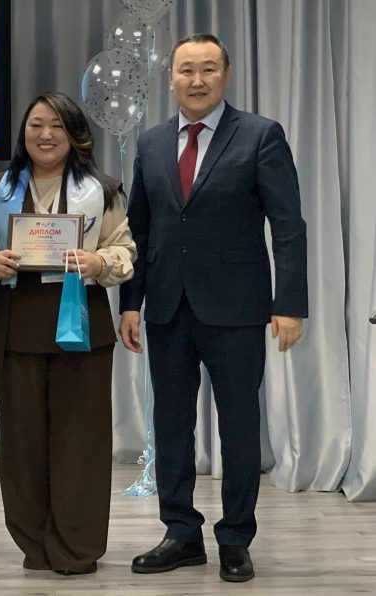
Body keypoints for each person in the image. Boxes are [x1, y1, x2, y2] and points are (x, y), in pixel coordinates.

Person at [119, 33, 308, 583]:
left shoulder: (260, 135)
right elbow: (139, 228)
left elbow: (288, 227)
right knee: (171, 424)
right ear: (170, 79)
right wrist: (130, 303)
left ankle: (235, 538)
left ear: (226, 75)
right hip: (167, 307)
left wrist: (289, 304)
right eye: (186, 70)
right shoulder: (151, 142)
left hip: (238, 308)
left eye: (207, 69)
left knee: (239, 427)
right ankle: (181, 533)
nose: (196, 80)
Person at [0, 91, 136, 575]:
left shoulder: (102, 190)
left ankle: (76, 546)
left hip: (81, 327)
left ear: (76, 135)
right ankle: (34, 543)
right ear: (23, 132)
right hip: (18, 325)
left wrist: (98, 261)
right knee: (23, 443)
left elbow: (124, 249)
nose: (46, 135)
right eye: (36, 125)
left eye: (57, 126)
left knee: (81, 441)